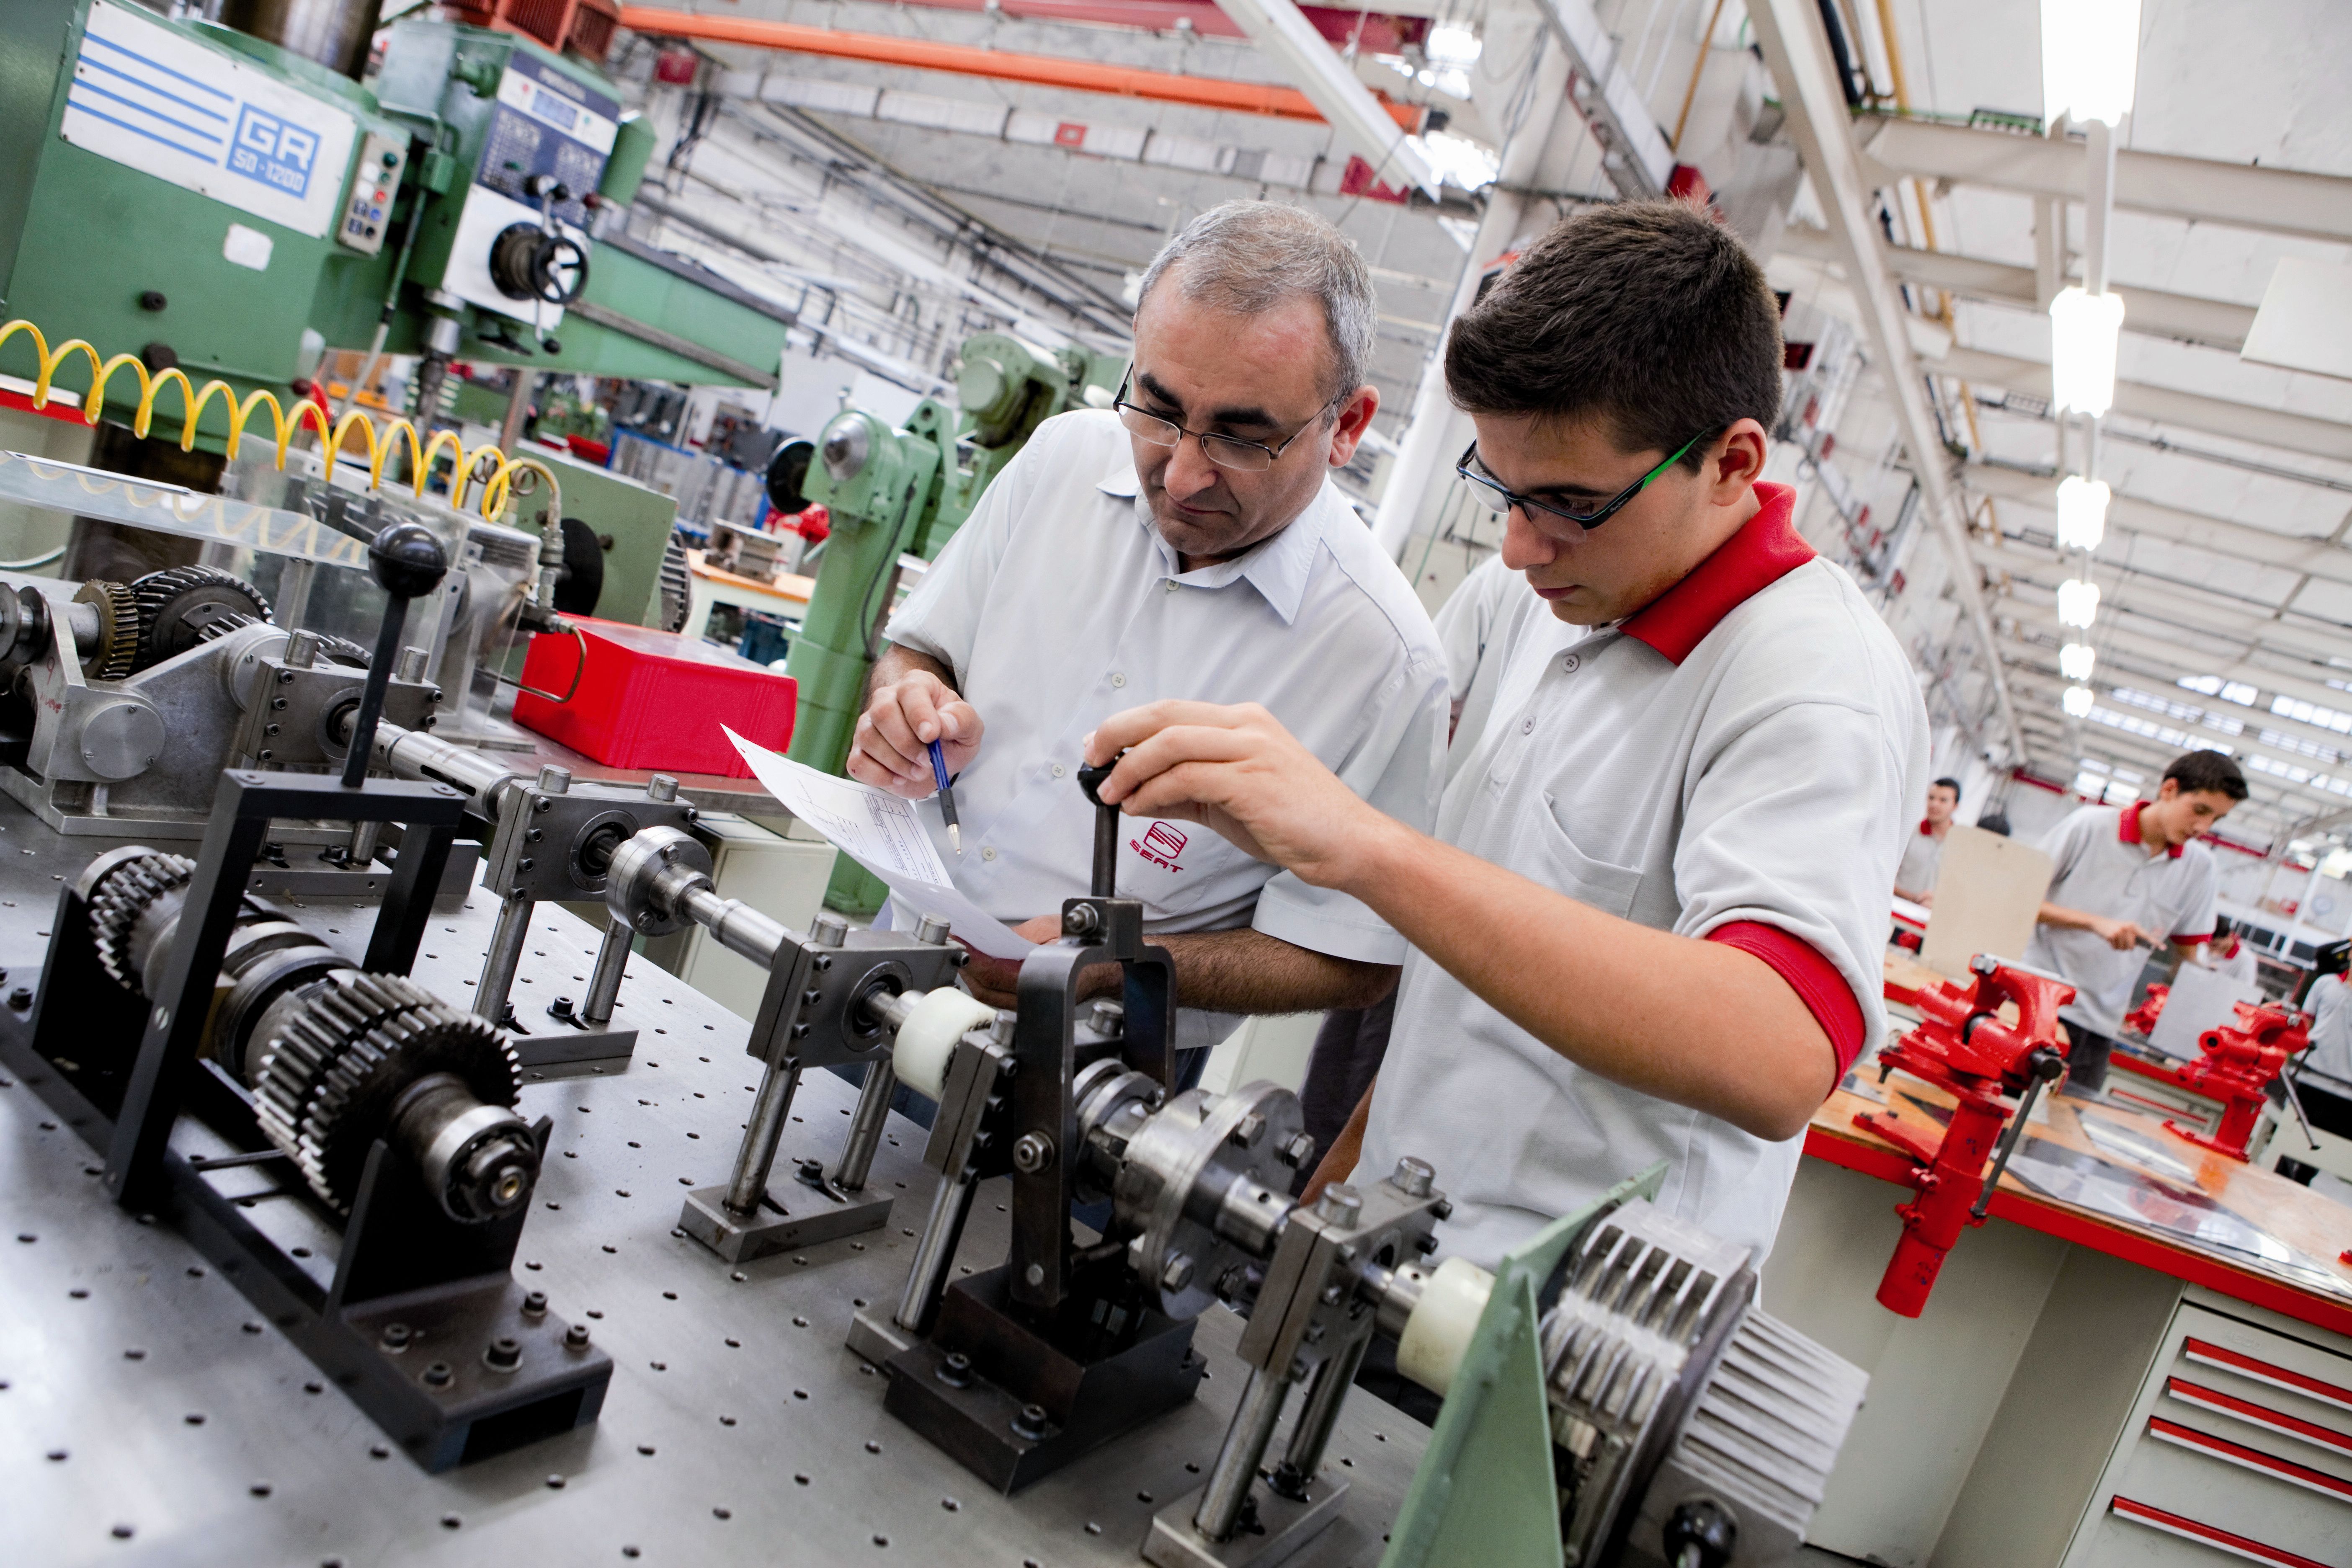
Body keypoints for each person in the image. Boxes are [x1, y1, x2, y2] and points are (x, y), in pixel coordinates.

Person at [1081, 201, 1929, 1270]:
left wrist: (1367, 844)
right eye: (1501, 489)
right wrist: (1331, 1198)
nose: (1521, 545)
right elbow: (1464, 978)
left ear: (1731, 460)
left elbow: (1778, 1052)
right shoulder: (1521, 600)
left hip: (1569, 1335)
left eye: (1570, 501)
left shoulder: (1813, 682)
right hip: (1381, 1252)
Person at [846, 201, 1449, 1077]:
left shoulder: (1384, 662)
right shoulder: (1062, 460)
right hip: (887, 977)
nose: (1184, 472)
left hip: (1100, 1083)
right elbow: (920, 648)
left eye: (1243, 438)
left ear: (1347, 426)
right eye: (1159, 410)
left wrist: (1106, 967)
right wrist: (908, 700)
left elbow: (1348, 959)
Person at [1296, 551, 1540, 1169]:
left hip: (1497, 932)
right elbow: (1431, 687)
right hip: (1421, 895)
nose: (1524, 539)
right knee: (1349, 1094)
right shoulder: (1511, 581)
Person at [2023, 750, 2246, 1096]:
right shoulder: (2090, 827)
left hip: (2098, 1029)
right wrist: (2095, 923)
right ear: (2169, 789)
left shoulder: (2200, 869)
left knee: (2058, 1140)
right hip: (2031, 1004)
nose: (2203, 828)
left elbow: (2190, 959)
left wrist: (2214, 1023)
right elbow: (2016, 900)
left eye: (2216, 819)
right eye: (2199, 810)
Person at [1894, 776, 1961, 905]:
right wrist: (1913, 898)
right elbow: (1885, 875)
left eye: (1943, 800)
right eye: (1931, 798)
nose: (1934, 804)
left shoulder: (1960, 847)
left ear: (1955, 806)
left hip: (1932, 920)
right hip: (1897, 914)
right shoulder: (1908, 834)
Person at [2205, 918, 2258, 986]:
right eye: (2207, 944)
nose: (2210, 948)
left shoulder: (2246, 960)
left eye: (2215, 945)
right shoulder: (2205, 949)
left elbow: (2244, 989)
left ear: (2230, 935)